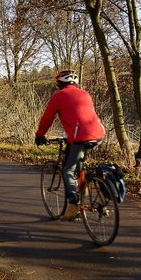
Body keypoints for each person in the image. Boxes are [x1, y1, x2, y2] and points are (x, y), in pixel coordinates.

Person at [35, 70, 105, 220]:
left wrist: (40, 135)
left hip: (80, 136)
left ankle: (73, 207)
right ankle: (84, 189)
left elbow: (47, 118)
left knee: (67, 169)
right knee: (78, 162)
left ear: (60, 83)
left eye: (57, 83)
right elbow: (81, 115)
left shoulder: (59, 96)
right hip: (98, 134)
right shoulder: (85, 94)